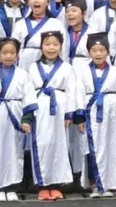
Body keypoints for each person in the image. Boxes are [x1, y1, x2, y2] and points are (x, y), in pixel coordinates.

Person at [27, 31, 79, 201]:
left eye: (55, 44)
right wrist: (28, 113)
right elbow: (28, 91)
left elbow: (71, 91)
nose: (51, 48)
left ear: (61, 47)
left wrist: (70, 113)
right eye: (47, 44)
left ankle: (56, 184)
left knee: (59, 145)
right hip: (39, 109)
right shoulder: (33, 67)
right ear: (41, 46)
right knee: (41, 143)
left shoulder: (67, 68)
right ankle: (42, 185)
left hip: (59, 109)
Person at [73, 32, 116, 198]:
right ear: (89, 52)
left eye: (102, 50)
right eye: (94, 50)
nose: (98, 54)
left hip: (110, 114)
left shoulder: (115, 71)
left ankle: (109, 183)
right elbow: (78, 93)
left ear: (108, 52)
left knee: (110, 147)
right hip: (91, 112)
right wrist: (80, 117)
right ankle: (95, 184)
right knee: (91, 148)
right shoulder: (82, 71)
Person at [0, 37, 36, 202]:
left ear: (17, 54)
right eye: (5, 52)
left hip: (15, 113)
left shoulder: (23, 75)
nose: (8, 56)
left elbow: (29, 97)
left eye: (12, 52)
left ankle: (13, 186)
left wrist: (26, 119)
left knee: (15, 150)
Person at [14, 0, 64, 71]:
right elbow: (13, 47)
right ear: (28, 2)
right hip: (24, 62)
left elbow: (63, 49)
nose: (36, 0)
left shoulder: (56, 24)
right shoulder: (20, 24)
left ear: (48, 2)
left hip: (49, 62)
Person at [62, 0, 90, 64]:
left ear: (84, 13)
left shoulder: (92, 33)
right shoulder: (63, 33)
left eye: (74, 11)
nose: (70, 14)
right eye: (67, 11)